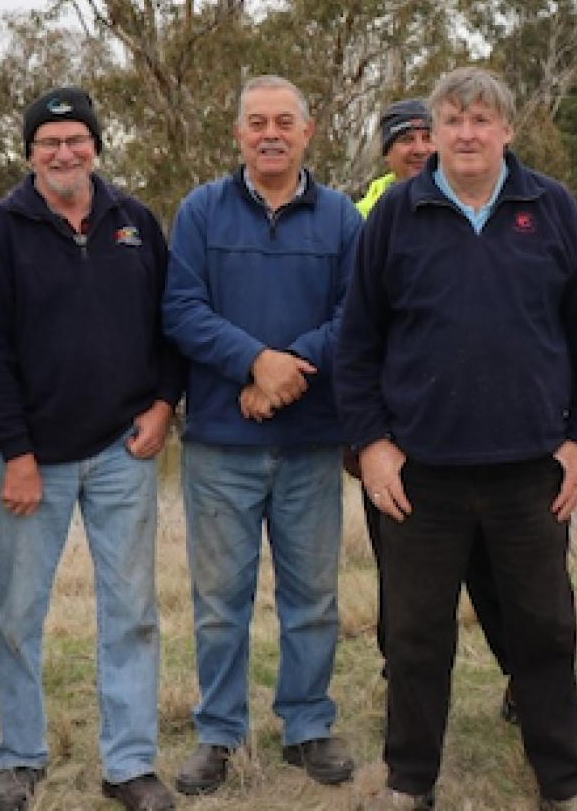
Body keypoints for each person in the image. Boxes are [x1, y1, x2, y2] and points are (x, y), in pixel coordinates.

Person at [336, 67, 577, 811]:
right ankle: (409, 782)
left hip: (532, 472)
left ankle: (564, 779)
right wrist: (372, 444)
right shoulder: (397, 212)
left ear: (507, 130)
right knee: (418, 639)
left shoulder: (550, 208)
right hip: (421, 473)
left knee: (546, 631)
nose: (465, 133)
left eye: (480, 120)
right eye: (451, 119)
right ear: (434, 132)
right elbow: (357, 342)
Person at [0, 88, 184, 811]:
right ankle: (20, 759)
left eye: (76, 139)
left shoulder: (136, 222)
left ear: (95, 146)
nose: (64, 152)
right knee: (20, 617)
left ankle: (129, 764)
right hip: (33, 460)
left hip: (126, 450)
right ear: (29, 152)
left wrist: (162, 406)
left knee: (133, 612)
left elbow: (169, 324)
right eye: (49, 141)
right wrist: (14, 452)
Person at [162, 76, 361, 796]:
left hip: (310, 443)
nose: (270, 133)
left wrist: (287, 373)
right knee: (220, 603)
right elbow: (181, 309)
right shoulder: (201, 212)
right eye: (256, 122)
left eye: (284, 121)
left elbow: (358, 315)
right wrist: (254, 361)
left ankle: (307, 725)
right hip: (221, 443)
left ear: (308, 132)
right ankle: (219, 733)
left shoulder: (340, 217)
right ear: (239, 134)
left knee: (312, 598)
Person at [350, 97, 521, 722]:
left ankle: (519, 681)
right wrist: (368, 435)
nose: (419, 147)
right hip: (397, 438)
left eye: (429, 134)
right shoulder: (363, 215)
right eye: (406, 138)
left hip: (482, 442)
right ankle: (409, 694)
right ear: (385, 150)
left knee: (496, 575)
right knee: (404, 582)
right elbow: (354, 327)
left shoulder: (488, 204)